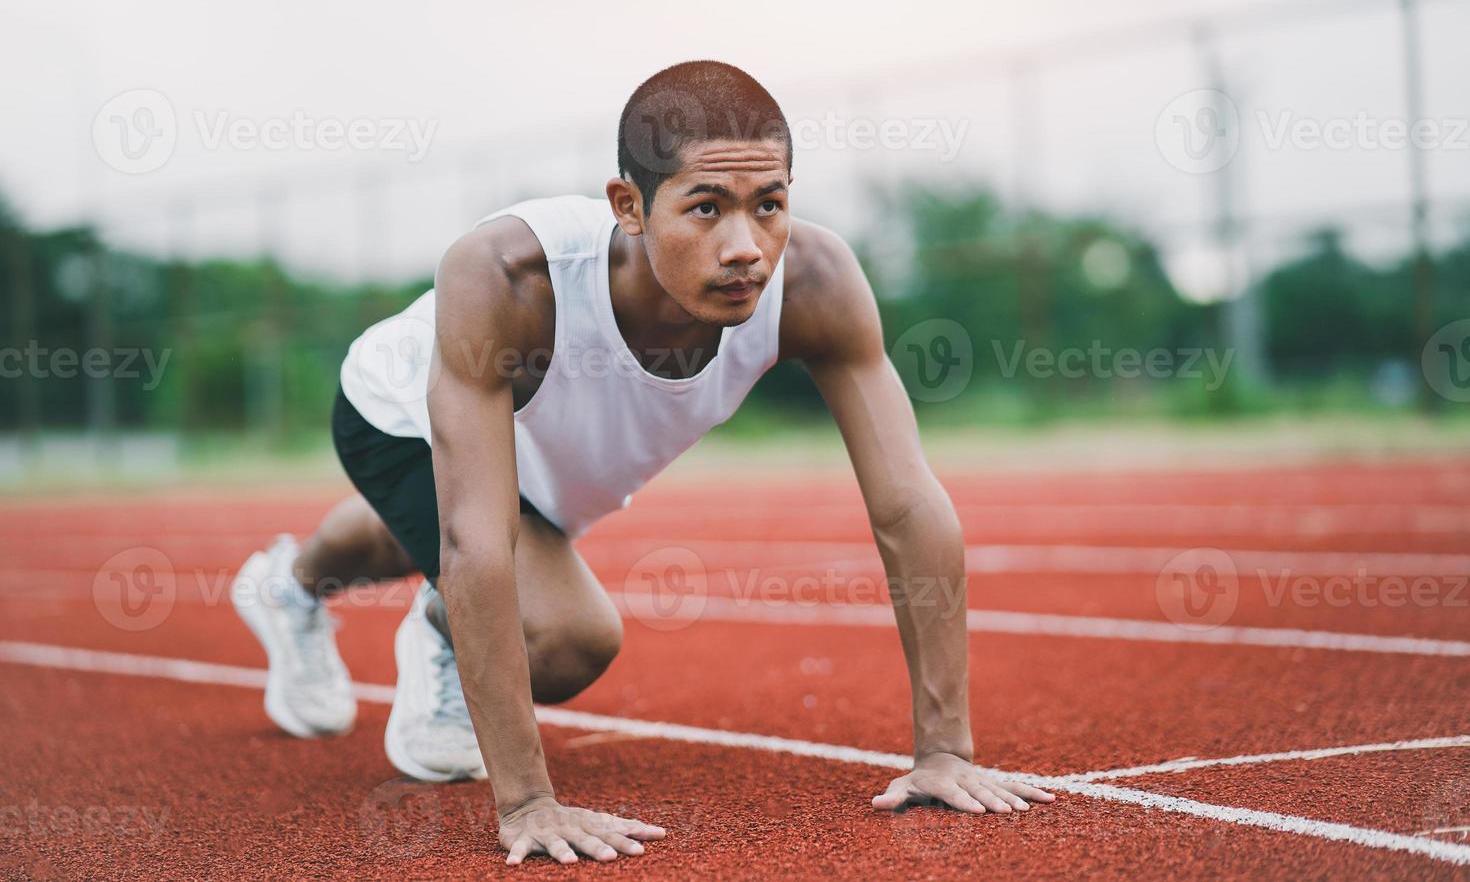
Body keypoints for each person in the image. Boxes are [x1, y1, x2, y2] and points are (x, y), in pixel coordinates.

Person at [231, 60, 1054, 866]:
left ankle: (294, 584)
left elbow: (908, 505)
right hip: (399, 412)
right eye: (706, 209)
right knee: (564, 639)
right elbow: (476, 541)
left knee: (445, 543)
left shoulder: (815, 281)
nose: (746, 249)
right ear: (628, 205)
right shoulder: (508, 277)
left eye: (769, 205)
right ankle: (382, 614)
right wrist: (526, 802)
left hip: (555, 453)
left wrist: (945, 750)